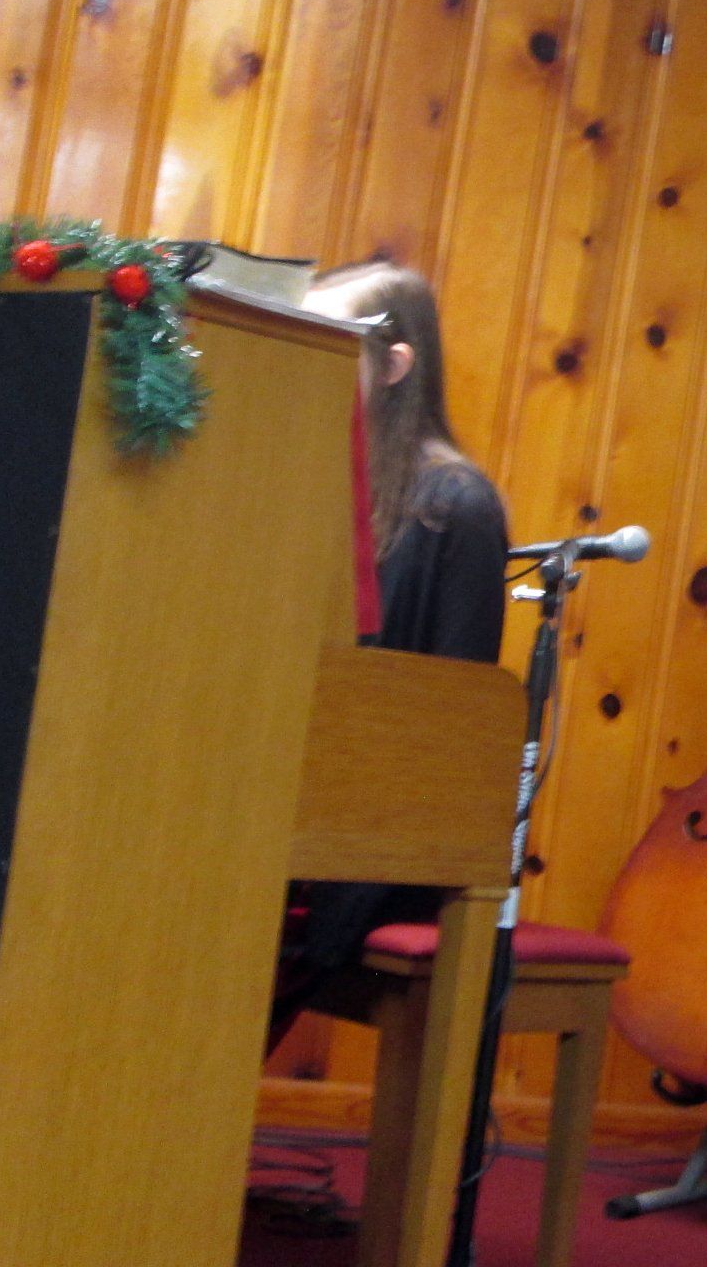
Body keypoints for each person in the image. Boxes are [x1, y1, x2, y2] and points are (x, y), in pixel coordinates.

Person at [269, 262, 510, 1041]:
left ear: (396, 365)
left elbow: (448, 719)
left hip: (375, 841)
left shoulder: (456, 505)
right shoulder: (325, 483)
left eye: (330, 341)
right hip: (305, 806)